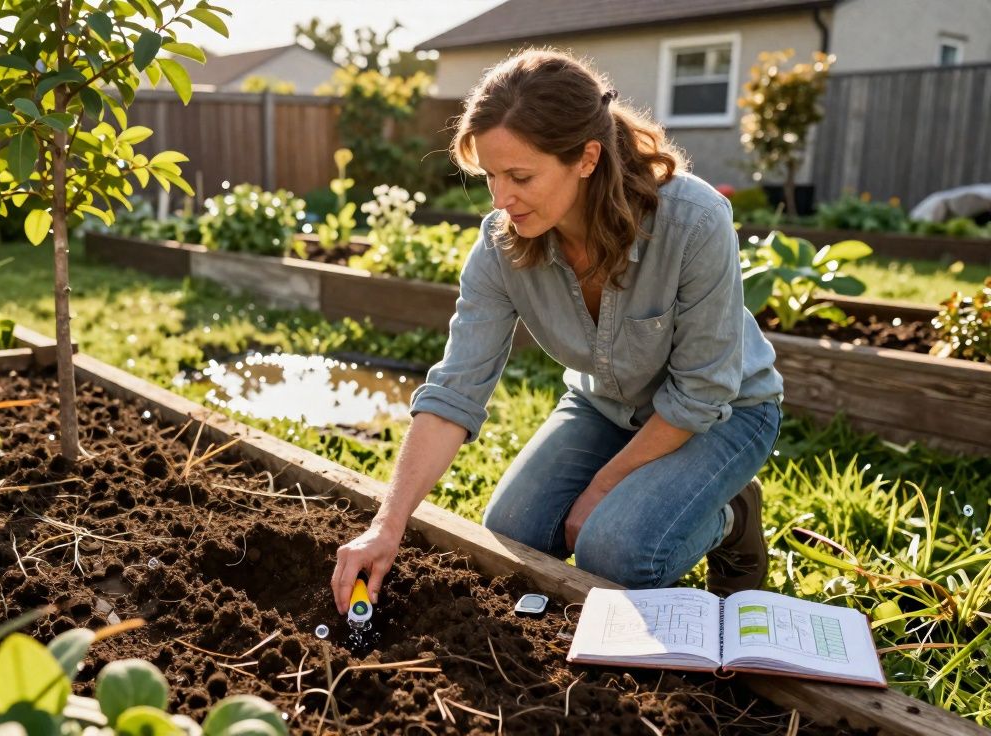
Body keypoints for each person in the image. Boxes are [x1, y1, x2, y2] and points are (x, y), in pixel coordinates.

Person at [331, 49, 784, 616]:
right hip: (607, 407)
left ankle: (729, 517)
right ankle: (669, 496)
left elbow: (701, 394)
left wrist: (601, 488)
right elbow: (456, 388)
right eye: (491, 176)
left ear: (587, 158)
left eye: (520, 176)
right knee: (514, 531)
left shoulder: (692, 221)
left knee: (615, 554)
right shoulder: (501, 243)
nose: (501, 198)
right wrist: (387, 522)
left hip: (724, 413)